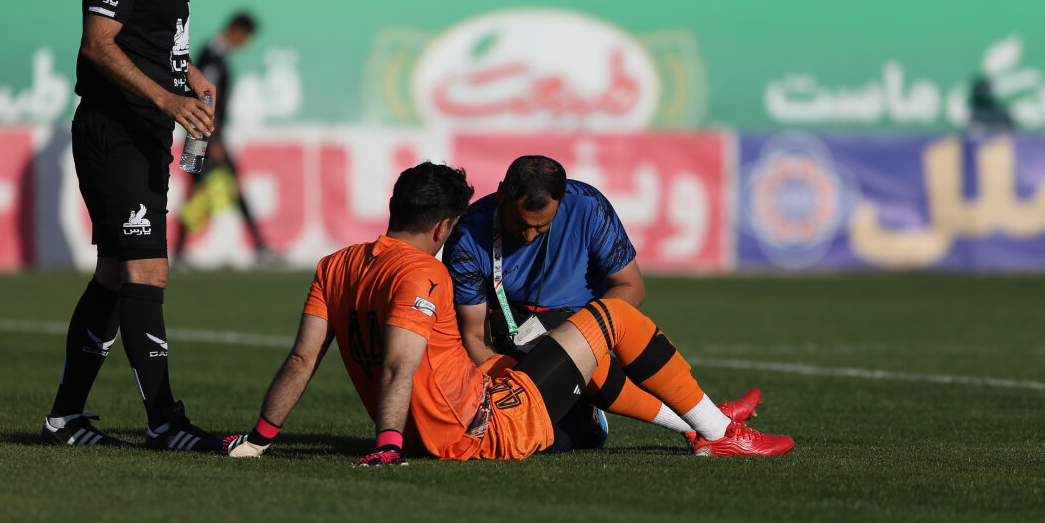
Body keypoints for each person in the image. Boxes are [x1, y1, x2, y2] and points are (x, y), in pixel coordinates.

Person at [225, 162, 793, 464]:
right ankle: (720, 433)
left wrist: (259, 438)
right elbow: (402, 365)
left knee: (590, 339)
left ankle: (699, 424)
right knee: (614, 320)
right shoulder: (428, 272)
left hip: (440, 426)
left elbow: (302, 358)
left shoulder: (334, 265)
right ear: (445, 227)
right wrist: (387, 447)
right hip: (483, 428)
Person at [40, 0, 234, 452]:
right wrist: (168, 99)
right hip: (115, 130)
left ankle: (65, 418)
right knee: (147, 271)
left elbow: (156, 44)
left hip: (144, 132)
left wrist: (190, 78)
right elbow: (98, 44)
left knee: (115, 276)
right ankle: (165, 422)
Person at [443, 155, 761, 451]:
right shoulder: (468, 235)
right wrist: (511, 387)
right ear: (501, 195)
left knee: (548, 421)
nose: (528, 236)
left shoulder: (589, 206)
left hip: (577, 320)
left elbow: (631, 287)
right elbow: (475, 336)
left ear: (561, 204)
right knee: (546, 442)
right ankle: (705, 421)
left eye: (540, 226)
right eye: (519, 223)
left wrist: (574, 338)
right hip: (509, 341)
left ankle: (706, 427)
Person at [173, 12, 276, 263]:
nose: (246, 43)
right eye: (246, 37)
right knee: (204, 190)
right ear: (237, 30)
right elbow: (206, 98)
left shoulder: (217, 55)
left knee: (209, 189)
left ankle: (181, 253)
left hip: (203, 132)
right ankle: (180, 253)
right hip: (204, 134)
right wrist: (214, 139)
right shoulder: (212, 56)